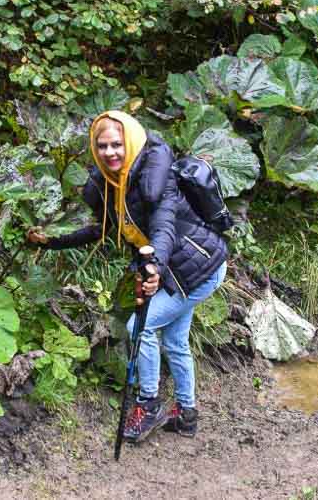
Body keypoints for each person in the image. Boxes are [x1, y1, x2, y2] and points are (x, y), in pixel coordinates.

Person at [27, 110, 227, 442]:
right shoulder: (114, 185)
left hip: (199, 267)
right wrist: (51, 241)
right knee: (175, 341)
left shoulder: (157, 181)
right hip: (177, 270)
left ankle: (148, 405)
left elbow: (164, 231)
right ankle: (186, 415)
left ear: (130, 142)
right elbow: (100, 229)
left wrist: (154, 267)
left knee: (141, 327)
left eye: (117, 145)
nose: (110, 153)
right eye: (103, 146)